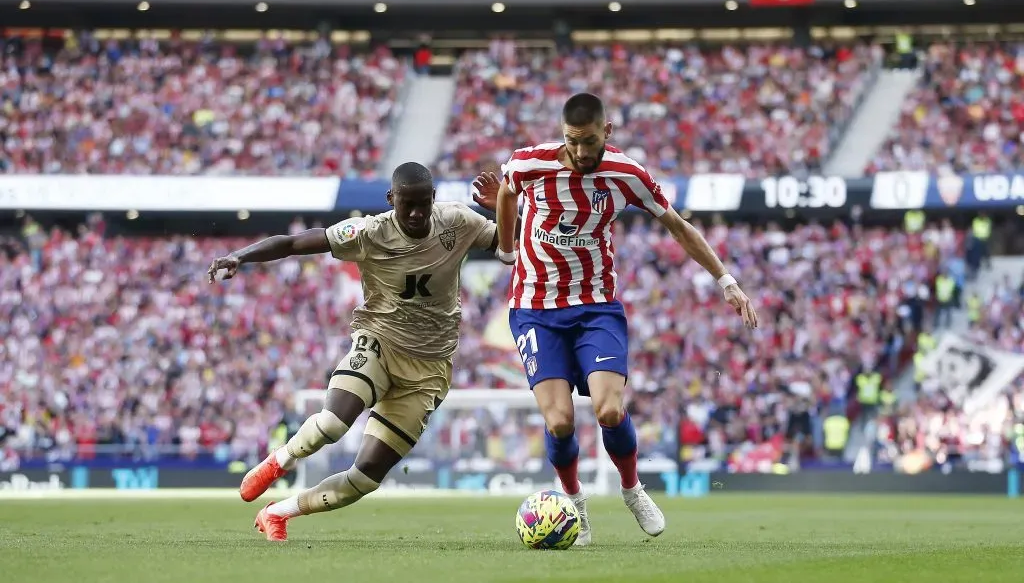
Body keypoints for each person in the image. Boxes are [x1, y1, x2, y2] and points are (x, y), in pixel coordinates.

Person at [490, 92, 759, 546]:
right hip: (535, 309)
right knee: (559, 422)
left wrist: (725, 280)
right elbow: (505, 191)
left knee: (609, 410)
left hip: (595, 306)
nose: (580, 151)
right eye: (572, 141)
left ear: (607, 131)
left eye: (589, 141)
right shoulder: (528, 163)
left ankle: (632, 489)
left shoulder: (626, 173)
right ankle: (574, 503)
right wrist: (505, 248)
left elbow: (677, 226)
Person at [207, 162, 502, 541]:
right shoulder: (369, 232)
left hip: (430, 368)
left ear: (434, 198)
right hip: (380, 343)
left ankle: (277, 512)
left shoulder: (459, 222)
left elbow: (512, 244)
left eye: (423, 204)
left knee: (364, 479)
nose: (415, 213)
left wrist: (505, 206)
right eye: (406, 204)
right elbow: (295, 243)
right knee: (332, 424)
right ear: (391, 199)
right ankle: (279, 461)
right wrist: (241, 256)